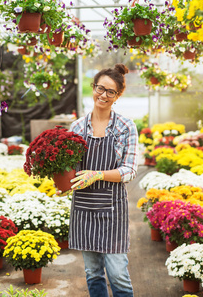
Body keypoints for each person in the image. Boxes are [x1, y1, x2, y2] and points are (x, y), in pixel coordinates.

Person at [68, 63, 139, 297]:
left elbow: (129, 170)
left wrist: (97, 174)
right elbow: (70, 169)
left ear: (117, 96)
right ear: (93, 88)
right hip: (84, 208)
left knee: (117, 273)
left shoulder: (125, 127)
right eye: (101, 88)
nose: (104, 95)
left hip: (112, 209)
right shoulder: (77, 128)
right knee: (93, 272)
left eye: (111, 92)